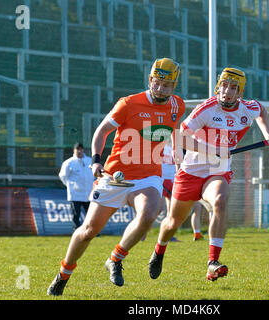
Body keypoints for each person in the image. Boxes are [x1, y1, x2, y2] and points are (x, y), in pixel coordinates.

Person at [47, 58, 185, 295]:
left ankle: (116, 258)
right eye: (158, 82)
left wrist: (179, 153)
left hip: (148, 176)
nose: (161, 88)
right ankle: (64, 273)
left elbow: (173, 130)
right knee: (89, 230)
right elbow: (102, 131)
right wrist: (96, 160)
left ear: (174, 86)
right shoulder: (128, 104)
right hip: (116, 175)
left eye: (167, 85)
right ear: (151, 80)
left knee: (151, 212)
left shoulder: (177, 106)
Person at [148, 67, 269, 282]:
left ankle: (212, 263)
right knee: (172, 223)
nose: (227, 91)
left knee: (220, 201)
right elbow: (181, 137)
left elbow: (262, 111)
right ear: (218, 86)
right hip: (191, 170)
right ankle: (159, 251)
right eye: (224, 85)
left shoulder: (248, 108)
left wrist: (267, 134)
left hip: (218, 171)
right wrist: (211, 150)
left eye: (233, 88)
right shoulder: (207, 109)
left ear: (240, 92)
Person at [58, 143, 95, 230]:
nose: (79, 151)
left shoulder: (90, 161)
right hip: (75, 194)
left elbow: (95, 175)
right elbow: (63, 176)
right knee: (76, 215)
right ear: (74, 150)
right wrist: (71, 186)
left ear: (83, 150)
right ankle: (76, 232)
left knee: (91, 214)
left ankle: (91, 231)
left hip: (89, 194)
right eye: (77, 149)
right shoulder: (68, 163)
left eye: (81, 149)